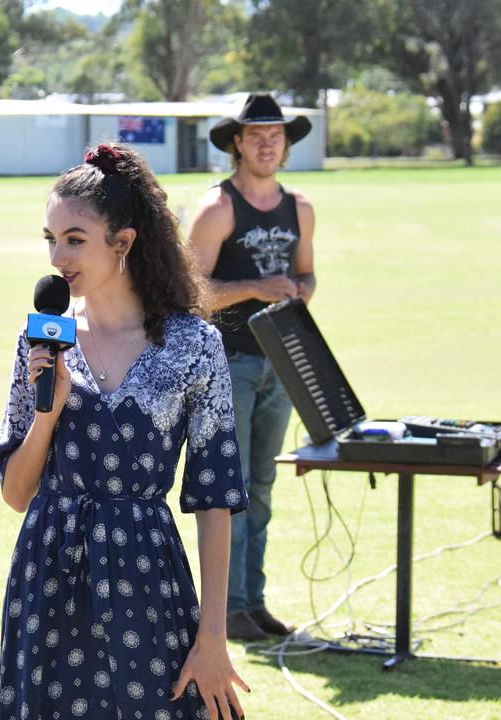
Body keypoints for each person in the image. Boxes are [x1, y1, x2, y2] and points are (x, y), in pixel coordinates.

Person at [0, 144, 250, 720]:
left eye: (75, 239)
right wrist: (47, 413)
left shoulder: (194, 344)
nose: (58, 256)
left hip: (146, 577)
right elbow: (15, 494)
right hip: (47, 578)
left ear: (124, 242)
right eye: (50, 239)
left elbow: (215, 498)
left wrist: (212, 637)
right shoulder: (41, 339)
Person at [186, 93, 317, 641]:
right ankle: (227, 608)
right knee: (228, 490)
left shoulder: (301, 208)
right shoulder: (217, 208)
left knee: (261, 487)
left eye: (277, 134)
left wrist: (297, 292)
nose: (268, 143)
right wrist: (255, 288)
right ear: (236, 142)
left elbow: (309, 274)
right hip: (227, 363)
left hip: (280, 363)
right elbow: (188, 293)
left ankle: (252, 601)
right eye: (256, 134)